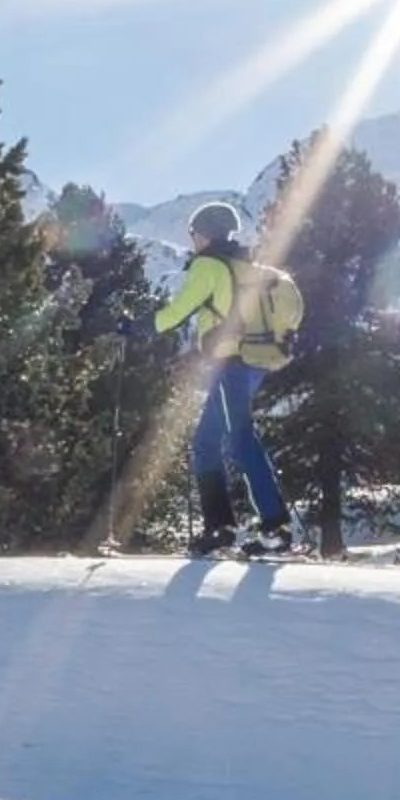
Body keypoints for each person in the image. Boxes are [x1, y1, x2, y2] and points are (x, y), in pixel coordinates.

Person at [154, 201, 300, 557]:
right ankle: (223, 527)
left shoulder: (209, 265)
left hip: (231, 363)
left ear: (205, 233)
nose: (192, 240)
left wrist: (138, 327)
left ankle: (271, 526)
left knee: (236, 439)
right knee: (208, 441)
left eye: (194, 233)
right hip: (253, 362)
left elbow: (177, 312)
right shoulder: (243, 265)